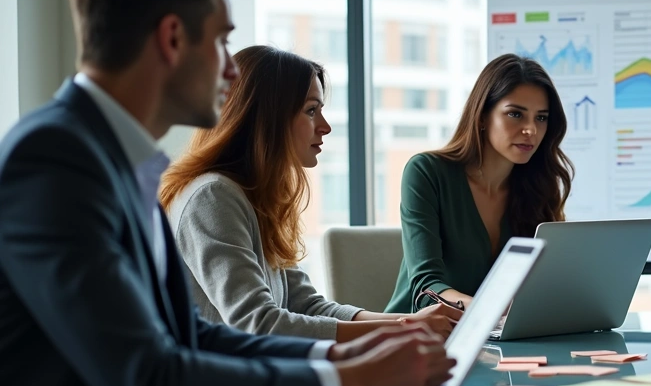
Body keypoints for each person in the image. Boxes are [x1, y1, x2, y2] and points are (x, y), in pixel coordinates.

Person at [0, 0, 453, 386]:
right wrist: (347, 384)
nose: (232, 71)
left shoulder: (117, 159)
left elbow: (190, 335)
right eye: (221, 43)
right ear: (172, 38)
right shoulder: (55, 158)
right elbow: (151, 381)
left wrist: (345, 356)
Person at [160, 45, 456, 342]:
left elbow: (306, 305)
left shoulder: (256, 197)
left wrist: (410, 322)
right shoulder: (212, 197)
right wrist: (404, 328)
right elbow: (259, 324)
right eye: (311, 111)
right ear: (268, 117)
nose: (325, 127)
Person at [384, 54, 572, 313]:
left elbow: (545, 283)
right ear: (482, 116)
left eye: (541, 118)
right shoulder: (427, 172)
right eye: (515, 114)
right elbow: (426, 288)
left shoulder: (539, 186)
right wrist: (492, 312)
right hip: (417, 331)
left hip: (499, 335)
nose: (530, 129)